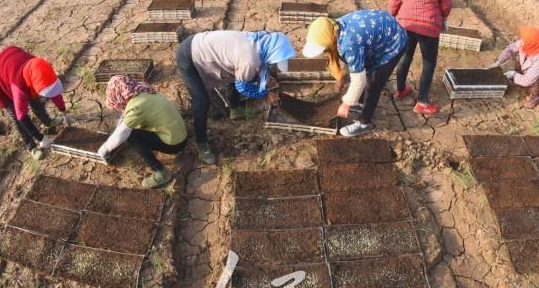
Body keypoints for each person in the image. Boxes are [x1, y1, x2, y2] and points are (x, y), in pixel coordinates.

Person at [176, 31, 296, 164]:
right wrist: (265, 94)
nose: (274, 64)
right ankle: (201, 143)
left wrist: (265, 80)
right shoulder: (249, 60)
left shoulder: (261, 42)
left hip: (206, 47)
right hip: (190, 56)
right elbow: (242, 86)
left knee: (233, 74)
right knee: (201, 101)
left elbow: (261, 66)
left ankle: (235, 109)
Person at [302, 10, 406, 137]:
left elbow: (358, 79)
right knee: (366, 73)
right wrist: (341, 79)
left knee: (373, 84)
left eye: (324, 48)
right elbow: (352, 64)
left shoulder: (349, 44)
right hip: (381, 32)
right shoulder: (334, 27)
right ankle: (361, 103)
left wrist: (346, 104)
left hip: (393, 42)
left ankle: (364, 122)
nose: (324, 51)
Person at [389, 0, 452, 116]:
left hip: (405, 25)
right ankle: (422, 102)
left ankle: (400, 89)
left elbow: (394, 0)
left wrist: (393, 15)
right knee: (428, 63)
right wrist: (443, 17)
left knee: (404, 58)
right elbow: (446, 5)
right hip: (430, 27)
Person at [97, 75, 188, 188]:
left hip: (174, 144)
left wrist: (104, 149)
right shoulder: (142, 91)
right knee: (132, 128)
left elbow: (122, 133)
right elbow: (127, 119)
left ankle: (161, 172)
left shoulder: (136, 107)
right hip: (180, 134)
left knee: (132, 135)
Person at [0, 46, 69, 160]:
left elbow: (54, 91)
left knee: (35, 98)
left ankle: (47, 121)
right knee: (16, 115)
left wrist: (64, 111)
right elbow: (22, 117)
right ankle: (31, 146)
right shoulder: (18, 87)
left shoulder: (42, 69)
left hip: (14, 59)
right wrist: (41, 138)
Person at [493, 27, 539, 108]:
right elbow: (510, 49)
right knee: (517, 58)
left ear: (532, 42)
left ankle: (535, 97)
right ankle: (520, 80)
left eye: (524, 40)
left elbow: (527, 80)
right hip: (529, 74)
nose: (521, 41)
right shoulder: (526, 44)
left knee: (536, 80)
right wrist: (498, 62)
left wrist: (514, 74)